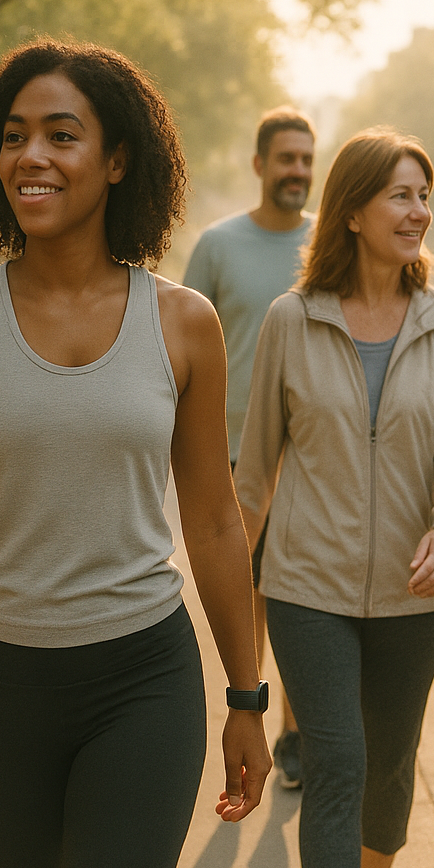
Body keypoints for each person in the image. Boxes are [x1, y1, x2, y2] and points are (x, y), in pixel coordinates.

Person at [0, 38, 270, 868]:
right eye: (15, 135)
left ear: (118, 159)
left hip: (142, 681)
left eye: (62, 135)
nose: (33, 156)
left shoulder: (184, 324)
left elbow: (214, 521)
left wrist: (246, 694)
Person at [235, 128, 434, 868]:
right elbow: (256, 469)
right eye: (401, 195)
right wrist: (230, 595)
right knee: (337, 761)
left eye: (424, 196)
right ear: (351, 211)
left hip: (416, 595)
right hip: (308, 586)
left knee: (388, 766)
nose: (420, 213)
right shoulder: (292, 319)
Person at [183, 105, 316, 788]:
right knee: (250, 592)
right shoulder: (218, 245)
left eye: (306, 159)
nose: (297, 171)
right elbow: (181, 346)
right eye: (285, 158)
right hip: (234, 452)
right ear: (260, 163)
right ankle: (254, 714)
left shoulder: (330, 243)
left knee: (299, 595)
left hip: (317, 458)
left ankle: (297, 731)